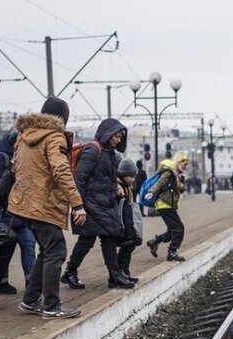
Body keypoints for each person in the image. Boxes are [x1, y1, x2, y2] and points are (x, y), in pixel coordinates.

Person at [8, 97, 86, 319]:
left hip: (25, 204)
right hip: (43, 203)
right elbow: (61, 171)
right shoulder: (54, 137)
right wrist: (77, 204)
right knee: (57, 251)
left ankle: (30, 300)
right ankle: (52, 306)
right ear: (62, 118)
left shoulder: (23, 138)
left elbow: (17, 170)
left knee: (47, 250)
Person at [60, 118, 135, 290]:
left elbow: (104, 176)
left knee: (90, 239)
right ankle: (113, 275)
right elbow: (79, 178)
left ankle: (72, 272)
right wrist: (78, 206)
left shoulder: (108, 152)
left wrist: (115, 186)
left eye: (120, 138)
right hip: (92, 204)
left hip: (103, 203)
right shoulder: (93, 150)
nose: (118, 140)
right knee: (105, 236)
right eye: (116, 136)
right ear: (107, 133)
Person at [0, 130, 35, 295]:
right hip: (2, 214)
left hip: (22, 214)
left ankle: (31, 283)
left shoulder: (24, 159)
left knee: (29, 245)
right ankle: (2, 282)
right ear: (13, 143)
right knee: (3, 250)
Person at [144, 152, 190, 262]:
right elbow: (160, 182)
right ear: (178, 161)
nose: (185, 166)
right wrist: (151, 192)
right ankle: (172, 252)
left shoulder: (176, 174)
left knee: (171, 232)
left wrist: (181, 183)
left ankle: (154, 241)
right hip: (164, 204)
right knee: (179, 229)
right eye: (184, 164)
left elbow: (178, 188)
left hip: (168, 204)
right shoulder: (169, 171)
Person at [116, 158, 143, 283]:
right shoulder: (118, 186)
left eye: (134, 176)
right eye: (130, 176)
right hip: (120, 222)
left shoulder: (126, 186)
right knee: (127, 245)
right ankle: (121, 270)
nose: (132, 179)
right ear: (123, 174)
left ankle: (125, 271)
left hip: (127, 222)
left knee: (131, 244)